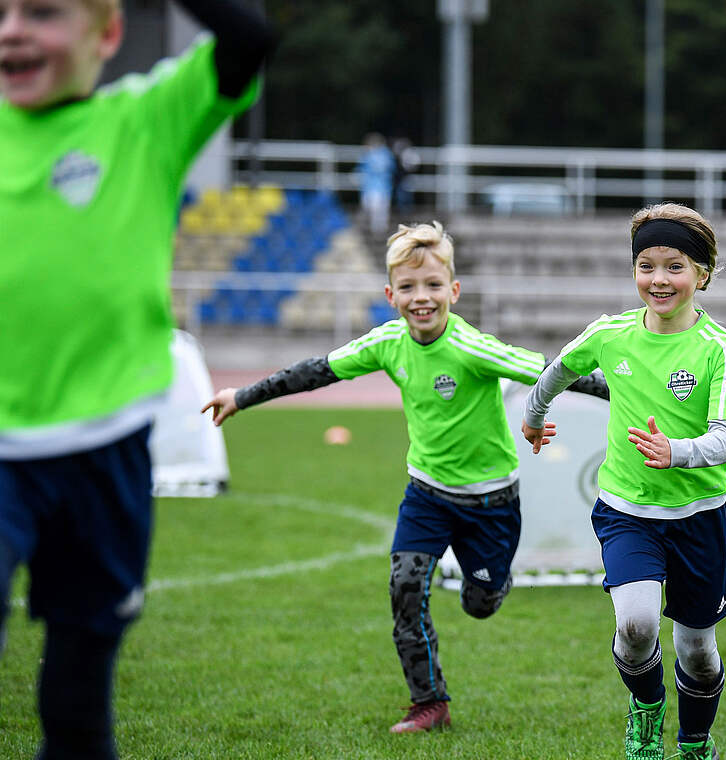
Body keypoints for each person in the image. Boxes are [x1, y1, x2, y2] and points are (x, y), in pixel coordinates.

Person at [201, 222, 608, 735]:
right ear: (391, 295)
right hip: (427, 496)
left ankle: (493, 581)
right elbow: (316, 371)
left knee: (480, 604)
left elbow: (557, 371)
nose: (422, 298)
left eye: (434, 286)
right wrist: (243, 396)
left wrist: (631, 396)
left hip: (491, 503)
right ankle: (429, 703)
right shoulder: (387, 342)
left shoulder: (473, 347)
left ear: (453, 292)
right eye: (409, 288)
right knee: (405, 587)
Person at [0, 0, 271, 756]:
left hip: (107, 449)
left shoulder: (145, 120)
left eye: (44, 13)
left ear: (107, 34)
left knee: (77, 706)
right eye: (4, 12)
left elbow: (249, 37)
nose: (14, 30)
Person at [521, 203, 726, 760]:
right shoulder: (610, 333)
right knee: (639, 624)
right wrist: (533, 414)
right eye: (646, 265)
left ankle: (695, 743)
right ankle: (646, 708)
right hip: (627, 510)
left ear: (702, 274)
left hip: (698, 517)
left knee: (696, 651)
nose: (658, 279)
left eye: (674, 267)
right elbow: (558, 370)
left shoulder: (720, 348)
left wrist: (678, 452)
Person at [357, 132, 395, 237]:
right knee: (368, 208)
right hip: (369, 187)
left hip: (382, 187)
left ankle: (379, 232)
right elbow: (361, 168)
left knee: (380, 210)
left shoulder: (385, 154)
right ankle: (369, 229)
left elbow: (389, 168)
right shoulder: (367, 155)